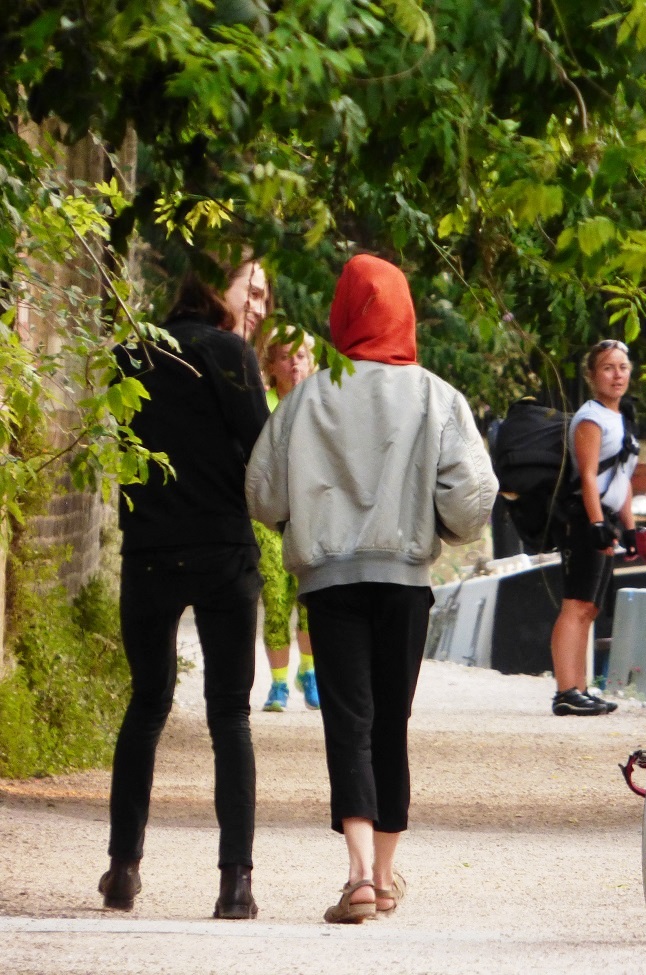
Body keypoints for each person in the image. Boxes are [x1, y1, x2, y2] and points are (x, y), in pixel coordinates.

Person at [246, 254, 496, 923]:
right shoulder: (438, 396)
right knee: (393, 722)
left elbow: (262, 494)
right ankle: (385, 877)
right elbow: (471, 503)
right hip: (405, 580)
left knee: (348, 723)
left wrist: (305, 511)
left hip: (329, 583)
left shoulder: (304, 399)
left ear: (342, 315)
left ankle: (355, 875)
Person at [100, 270, 270, 919]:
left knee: (145, 704)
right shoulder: (229, 352)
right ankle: (235, 884)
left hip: (148, 548)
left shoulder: (129, 354)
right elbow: (262, 445)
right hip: (223, 547)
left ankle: (122, 868)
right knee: (230, 714)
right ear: (217, 302)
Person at [549, 339, 639, 717]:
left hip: (608, 516)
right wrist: (597, 523)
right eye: (607, 367)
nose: (617, 374)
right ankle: (565, 690)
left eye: (622, 367)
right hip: (586, 516)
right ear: (591, 375)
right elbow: (587, 475)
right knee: (576, 603)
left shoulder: (621, 417)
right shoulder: (591, 417)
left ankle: (581, 688)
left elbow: (623, 477)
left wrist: (631, 529)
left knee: (591, 606)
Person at [254, 331, 319, 712]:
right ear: (270, 365)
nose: (293, 363)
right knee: (276, 597)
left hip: (312, 513)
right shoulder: (261, 405)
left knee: (312, 596)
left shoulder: (323, 402)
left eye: (300, 356)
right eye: (283, 357)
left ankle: (308, 672)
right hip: (268, 517)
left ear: (311, 361)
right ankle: (278, 683)